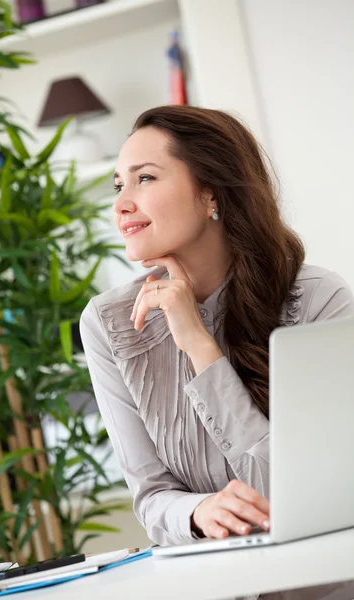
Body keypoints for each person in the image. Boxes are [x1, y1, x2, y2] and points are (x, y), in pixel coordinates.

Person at [79, 105, 354, 547]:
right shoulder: (107, 323)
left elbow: (288, 494)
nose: (120, 204)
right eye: (118, 185)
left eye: (144, 178)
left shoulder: (318, 299)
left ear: (211, 193)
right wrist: (197, 509)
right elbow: (150, 497)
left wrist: (197, 343)